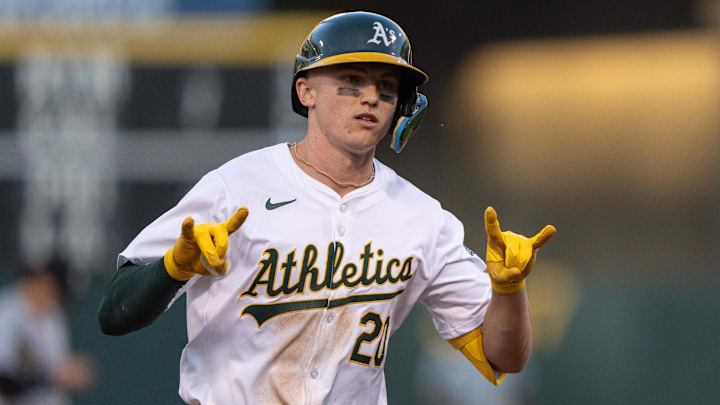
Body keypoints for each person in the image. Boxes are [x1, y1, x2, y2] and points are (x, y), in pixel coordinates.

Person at [98, 11, 555, 405]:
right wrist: (174, 267)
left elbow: (505, 358)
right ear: (305, 91)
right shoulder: (234, 187)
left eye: (386, 86)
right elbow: (115, 313)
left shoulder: (422, 217)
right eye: (351, 81)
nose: (371, 97)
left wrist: (509, 292)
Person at [0, 258, 95, 405]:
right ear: (43, 279)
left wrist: (72, 374)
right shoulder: (5, 312)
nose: (58, 299)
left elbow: (58, 368)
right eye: (58, 290)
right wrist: (51, 378)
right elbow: (5, 382)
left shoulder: (53, 316)